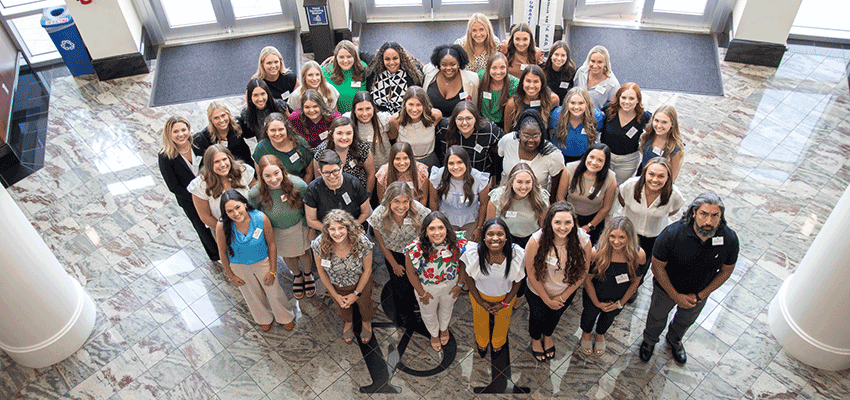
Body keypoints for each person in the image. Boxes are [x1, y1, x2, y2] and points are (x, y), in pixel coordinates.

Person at [639, 192, 739, 365]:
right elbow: (657, 267)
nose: (709, 221)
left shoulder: (729, 239)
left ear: (721, 216)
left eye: (715, 215)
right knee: (656, 317)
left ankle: (674, 340)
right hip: (666, 289)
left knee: (686, 321)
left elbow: (726, 271)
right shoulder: (672, 234)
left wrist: (701, 295)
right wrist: (676, 296)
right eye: (704, 214)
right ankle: (649, 341)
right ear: (694, 212)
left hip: (698, 294)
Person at [216, 190, 295, 332]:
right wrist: (231, 275)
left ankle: (285, 317)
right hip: (239, 267)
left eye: (237, 207)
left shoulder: (260, 218)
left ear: (245, 204)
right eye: (230, 211)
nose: (235, 213)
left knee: (274, 291)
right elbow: (222, 252)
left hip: (262, 262)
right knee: (251, 294)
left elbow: (271, 244)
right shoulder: (222, 226)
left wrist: (272, 270)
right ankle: (263, 318)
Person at [524, 201, 591, 361]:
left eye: (568, 222)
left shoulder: (583, 240)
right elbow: (531, 273)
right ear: (550, 222)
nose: (563, 227)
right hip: (538, 291)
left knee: (555, 316)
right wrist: (547, 299)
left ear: (574, 223)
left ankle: (547, 336)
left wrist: (562, 297)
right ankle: (535, 339)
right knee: (537, 317)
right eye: (557, 222)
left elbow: (584, 271)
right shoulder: (536, 240)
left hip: (564, 292)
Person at [248, 155, 315, 299]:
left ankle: (308, 274)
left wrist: (309, 228)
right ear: (261, 176)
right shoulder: (255, 193)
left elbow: (308, 206)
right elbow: (253, 214)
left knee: (303, 252)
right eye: (267, 176)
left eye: (276, 173)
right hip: (276, 231)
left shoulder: (298, 185)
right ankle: (297, 275)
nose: (273, 179)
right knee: (288, 255)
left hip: (299, 226)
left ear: (282, 171)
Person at [367, 182, 431, 327]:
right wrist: (394, 264)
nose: (401, 206)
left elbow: (426, 234)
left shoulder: (419, 211)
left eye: (405, 201)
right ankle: (403, 312)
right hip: (393, 254)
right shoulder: (378, 215)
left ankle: (418, 306)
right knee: (399, 285)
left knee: (417, 282)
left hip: (415, 254)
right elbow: (381, 244)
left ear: (410, 200)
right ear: (388, 200)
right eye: (396, 201)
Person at [580, 216, 645, 355]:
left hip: (618, 296)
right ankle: (586, 333)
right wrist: (596, 302)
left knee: (609, 318)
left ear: (630, 237)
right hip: (594, 294)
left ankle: (600, 334)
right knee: (589, 315)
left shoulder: (638, 255)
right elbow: (587, 280)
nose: (616, 241)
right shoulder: (596, 253)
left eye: (622, 237)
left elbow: (636, 281)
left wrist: (620, 303)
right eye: (612, 236)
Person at [404, 211, 468, 352]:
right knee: (428, 313)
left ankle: (444, 329)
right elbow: (411, 272)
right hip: (427, 287)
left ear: (447, 228)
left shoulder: (457, 242)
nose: (437, 232)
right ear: (425, 231)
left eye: (441, 227)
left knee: (447, 308)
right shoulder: (416, 248)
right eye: (432, 228)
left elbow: (463, 264)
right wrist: (421, 293)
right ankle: (434, 334)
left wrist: (460, 285)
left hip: (451, 284)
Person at [619, 157, 685, 293]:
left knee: (642, 264)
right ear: (645, 173)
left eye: (661, 176)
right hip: (628, 232)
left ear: (668, 177)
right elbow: (622, 199)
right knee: (622, 259)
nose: (655, 180)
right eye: (652, 174)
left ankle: (634, 288)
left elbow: (673, 211)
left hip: (653, 236)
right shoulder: (630, 185)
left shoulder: (674, 195)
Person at [460, 218, 524, 357]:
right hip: (479, 295)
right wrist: (480, 301)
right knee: (479, 320)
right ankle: (481, 343)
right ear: (484, 237)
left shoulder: (516, 255)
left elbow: (517, 282)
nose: (495, 238)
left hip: (505, 296)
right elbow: (469, 279)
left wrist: (505, 302)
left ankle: (498, 343)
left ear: (506, 237)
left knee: (503, 321)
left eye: (500, 234)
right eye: (490, 234)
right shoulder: (473, 254)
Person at [158, 116, 219, 261]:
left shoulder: (198, 142)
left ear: (188, 129)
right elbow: (173, 186)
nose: (181, 134)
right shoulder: (165, 156)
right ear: (169, 134)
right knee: (202, 227)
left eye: (183, 130)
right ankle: (216, 255)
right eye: (176, 131)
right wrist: (197, 196)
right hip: (189, 199)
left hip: (213, 191)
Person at [312, 209, 374, 344]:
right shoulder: (319, 244)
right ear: (326, 230)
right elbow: (321, 272)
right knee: (342, 306)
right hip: (336, 285)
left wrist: (356, 294)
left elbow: (367, 270)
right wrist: (335, 295)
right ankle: (348, 322)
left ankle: (366, 321)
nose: (337, 233)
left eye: (341, 228)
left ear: (348, 227)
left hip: (360, 283)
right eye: (332, 229)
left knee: (365, 305)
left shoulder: (361, 242)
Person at [555, 143, 617, 244]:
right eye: (591, 157)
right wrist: (571, 221)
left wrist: (590, 226)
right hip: (569, 214)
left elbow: (606, 207)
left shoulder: (610, 178)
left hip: (594, 219)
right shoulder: (570, 169)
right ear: (586, 156)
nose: (594, 162)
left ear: (605, 163)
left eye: (600, 160)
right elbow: (560, 196)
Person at [429, 145, 490, 241]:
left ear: (466, 162)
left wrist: (479, 227)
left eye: (459, 162)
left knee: (468, 250)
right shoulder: (438, 176)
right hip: (445, 221)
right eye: (451, 163)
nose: (455, 167)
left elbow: (484, 204)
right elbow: (433, 200)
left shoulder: (478, 178)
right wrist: (436, 224)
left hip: (471, 221)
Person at [188, 145, 255, 232]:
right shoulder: (200, 185)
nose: (222, 165)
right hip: (224, 230)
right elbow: (205, 216)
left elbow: (256, 192)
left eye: (224, 159)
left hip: (253, 223)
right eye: (216, 162)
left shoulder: (243, 171)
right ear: (209, 165)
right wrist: (229, 232)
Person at [498, 109, 565, 192]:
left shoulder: (552, 154)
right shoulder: (508, 140)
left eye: (536, 136)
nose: (530, 140)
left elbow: (556, 184)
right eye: (526, 135)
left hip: (536, 201)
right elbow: (499, 156)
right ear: (519, 133)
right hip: (506, 195)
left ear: (542, 134)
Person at [303, 149, 370, 231]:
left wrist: (350, 228)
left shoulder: (354, 183)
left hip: (353, 229)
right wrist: (332, 231)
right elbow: (311, 220)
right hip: (326, 231)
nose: (332, 176)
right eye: (327, 172)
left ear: (341, 167)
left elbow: (366, 212)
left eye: (335, 171)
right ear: (320, 172)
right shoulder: (313, 189)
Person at [435, 100, 504, 178]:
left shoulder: (489, 130)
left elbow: (506, 140)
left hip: (478, 178)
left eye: (469, 118)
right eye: (460, 119)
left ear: (476, 118)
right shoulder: (444, 127)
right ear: (454, 119)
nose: (464, 123)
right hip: (451, 177)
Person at [486, 162, 548, 247]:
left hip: (532, 239)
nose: (523, 187)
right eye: (519, 182)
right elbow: (491, 226)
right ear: (511, 182)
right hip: (505, 239)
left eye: (528, 182)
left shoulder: (541, 197)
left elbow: (544, 227)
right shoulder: (498, 196)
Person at [601, 82, 652, 186]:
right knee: (602, 184)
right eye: (623, 98)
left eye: (631, 98)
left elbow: (657, 130)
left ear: (638, 100)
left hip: (627, 162)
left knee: (619, 187)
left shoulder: (643, 117)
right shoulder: (608, 111)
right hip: (605, 157)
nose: (627, 102)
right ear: (618, 98)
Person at [313, 116, 375, 195]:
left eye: (348, 133)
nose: (344, 137)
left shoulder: (362, 148)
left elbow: (371, 174)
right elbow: (319, 180)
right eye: (339, 133)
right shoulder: (321, 152)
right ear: (331, 134)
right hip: (331, 196)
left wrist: (367, 198)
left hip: (359, 196)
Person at [388, 86, 443, 168]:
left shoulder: (434, 116)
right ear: (405, 104)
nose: (414, 109)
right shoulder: (396, 120)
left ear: (424, 105)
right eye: (411, 104)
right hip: (405, 163)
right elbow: (392, 138)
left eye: (418, 105)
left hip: (429, 161)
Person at [251, 113, 313, 183]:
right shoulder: (261, 148)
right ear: (267, 131)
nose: (277, 133)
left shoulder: (299, 143)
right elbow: (260, 176)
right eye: (273, 130)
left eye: (281, 129)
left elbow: (309, 172)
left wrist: (303, 190)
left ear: (286, 129)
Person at [364, 42, 424, 114]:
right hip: (378, 119)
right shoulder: (374, 72)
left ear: (401, 58)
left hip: (403, 118)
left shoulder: (412, 75)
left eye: (395, 58)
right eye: (387, 59)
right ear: (382, 59)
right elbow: (359, 54)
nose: (391, 62)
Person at [422, 44, 480, 117]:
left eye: (453, 64)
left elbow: (475, 106)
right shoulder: (428, 74)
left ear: (459, 63)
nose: (448, 68)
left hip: (461, 125)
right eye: (444, 65)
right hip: (432, 124)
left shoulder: (472, 79)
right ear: (439, 64)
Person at [549, 87, 604, 163]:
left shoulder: (596, 117)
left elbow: (599, 131)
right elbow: (549, 130)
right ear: (566, 103)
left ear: (587, 104)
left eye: (581, 103)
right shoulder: (557, 115)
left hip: (583, 157)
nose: (576, 107)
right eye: (572, 103)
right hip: (559, 156)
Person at [503, 64, 560, 132]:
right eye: (528, 81)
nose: (531, 86)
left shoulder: (552, 100)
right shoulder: (512, 103)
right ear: (522, 82)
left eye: (536, 81)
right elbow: (507, 131)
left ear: (542, 83)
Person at [195, 101, 252, 166]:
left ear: (228, 114)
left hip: (243, 165)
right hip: (221, 169)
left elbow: (253, 131)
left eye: (223, 115)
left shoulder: (238, 124)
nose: (221, 120)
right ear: (211, 120)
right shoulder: (204, 137)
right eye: (216, 118)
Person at [345, 91, 392, 170]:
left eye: (368, 108)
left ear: (373, 108)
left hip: (383, 167)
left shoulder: (383, 119)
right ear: (354, 110)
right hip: (360, 169)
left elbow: (393, 134)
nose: (365, 113)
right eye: (360, 109)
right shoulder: (348, 120)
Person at [638, 105, 685, 182]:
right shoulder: (648, 135)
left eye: (664, 122)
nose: (659, 126)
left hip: (658, 181)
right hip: (642, 174)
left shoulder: (676, 148)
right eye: (656, 120)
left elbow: (673, 175)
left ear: (672, 124)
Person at [375, 141, 429, 206]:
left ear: (410, 158)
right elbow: (382, 200)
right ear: (392, 159)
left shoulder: (420, 171)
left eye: (405, 158)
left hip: (415, 210)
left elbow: (423, 198)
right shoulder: (383, 173)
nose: (402, 163)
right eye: (397, 159)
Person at [322, 40, 368, 113]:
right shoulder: (326, 71)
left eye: (349, 56)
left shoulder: (363, 68)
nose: (345, 61)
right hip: (336, 118)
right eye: (341, 57)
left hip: (359, 116)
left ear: (354, 57)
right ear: (336, 57)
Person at [476, 53, 519, 129]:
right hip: (483, 122)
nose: (498, 72)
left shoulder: (514, 84)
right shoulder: (480, 77)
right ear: (488, 68)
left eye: (502, 67)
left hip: (503, 124)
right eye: (494, 68)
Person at [574, 45, 620, 110]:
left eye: (600, 62)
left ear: (605, 63)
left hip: (596, 118)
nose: (595, 66)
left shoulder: (612, 84)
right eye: (592, 61)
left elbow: (614, 106)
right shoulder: (581, 72)